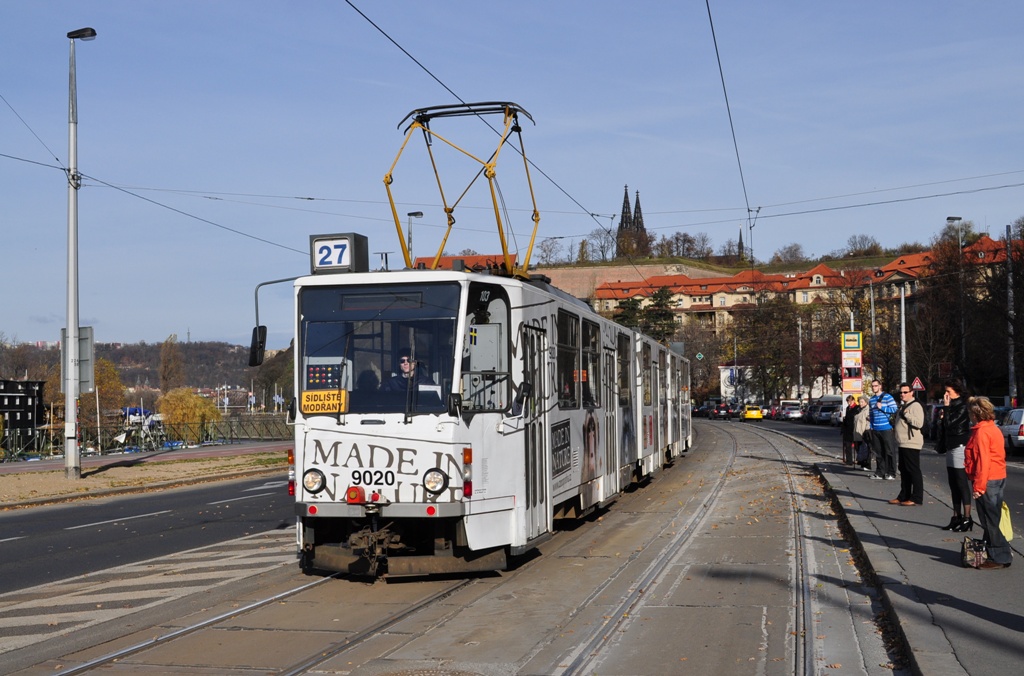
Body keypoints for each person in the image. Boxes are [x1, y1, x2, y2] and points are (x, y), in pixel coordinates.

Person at [963, 396, 1012, 569]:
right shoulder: (993, 428)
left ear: (976, 414)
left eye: (970, 413)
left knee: (989, 519)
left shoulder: (981, 432)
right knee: (993, 517)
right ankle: (993, 551)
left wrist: (978, 486)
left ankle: (1000, 555)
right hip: (998, 476)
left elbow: (983, 461)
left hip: (987, 479)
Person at [936, 380, 973, 531]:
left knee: (961, 482)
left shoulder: (963, 406)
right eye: (945, 392)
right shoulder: (950, 407)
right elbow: (943, 427)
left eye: (948, 392)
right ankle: (956, 516)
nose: (946, 395)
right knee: (953, 484)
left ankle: (967, 517)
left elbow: (951, 424)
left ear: (956, 392)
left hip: (959, 446)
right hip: (950, 446)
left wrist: (946, 409)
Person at [889, 383, 925, 506]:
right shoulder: (903, 406)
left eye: (905, 392)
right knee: (904, 470)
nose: (902, 395)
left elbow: (919, 423)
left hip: (911, 442)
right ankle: (904, 495)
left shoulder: (915, 406)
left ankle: (916, 497)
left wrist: (906, 414)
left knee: (913, 470)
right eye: (901, 392)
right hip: (902, 443)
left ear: (911, 393)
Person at [868, 379, 898, 480]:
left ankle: (891, 472)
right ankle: (880, 472)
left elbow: (894, 409)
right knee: (878, 452)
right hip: (875, 429)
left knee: (889, 451)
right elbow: (871, 414)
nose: (874, 388)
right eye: (872, 386)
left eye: (875, 386)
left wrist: (883, 408)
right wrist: (871, 426)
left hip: (886, 428)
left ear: (880, 386)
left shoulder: (888, 397)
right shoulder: (871, 400)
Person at [854, 395, 872, 470]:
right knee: (860, 448)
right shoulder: (859, 410)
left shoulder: (868, 410)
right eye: (859, 402)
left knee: (866, 448)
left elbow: (869, 420)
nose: (860, 403)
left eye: (862, 402)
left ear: (866, 402)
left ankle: (867, 465)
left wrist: (867, 429)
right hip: (858, 432)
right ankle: (862, 463)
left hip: (864, 432)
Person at [840, 395, 858, 465]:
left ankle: (860, 459)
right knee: (847, 445)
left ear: (853, 400)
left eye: (850, 401)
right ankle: (849, 460)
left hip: (854, 428)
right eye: (848, 401)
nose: (849, 403)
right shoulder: (848, 408)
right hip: (847, 429)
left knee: (857, 446)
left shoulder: (857, 408)